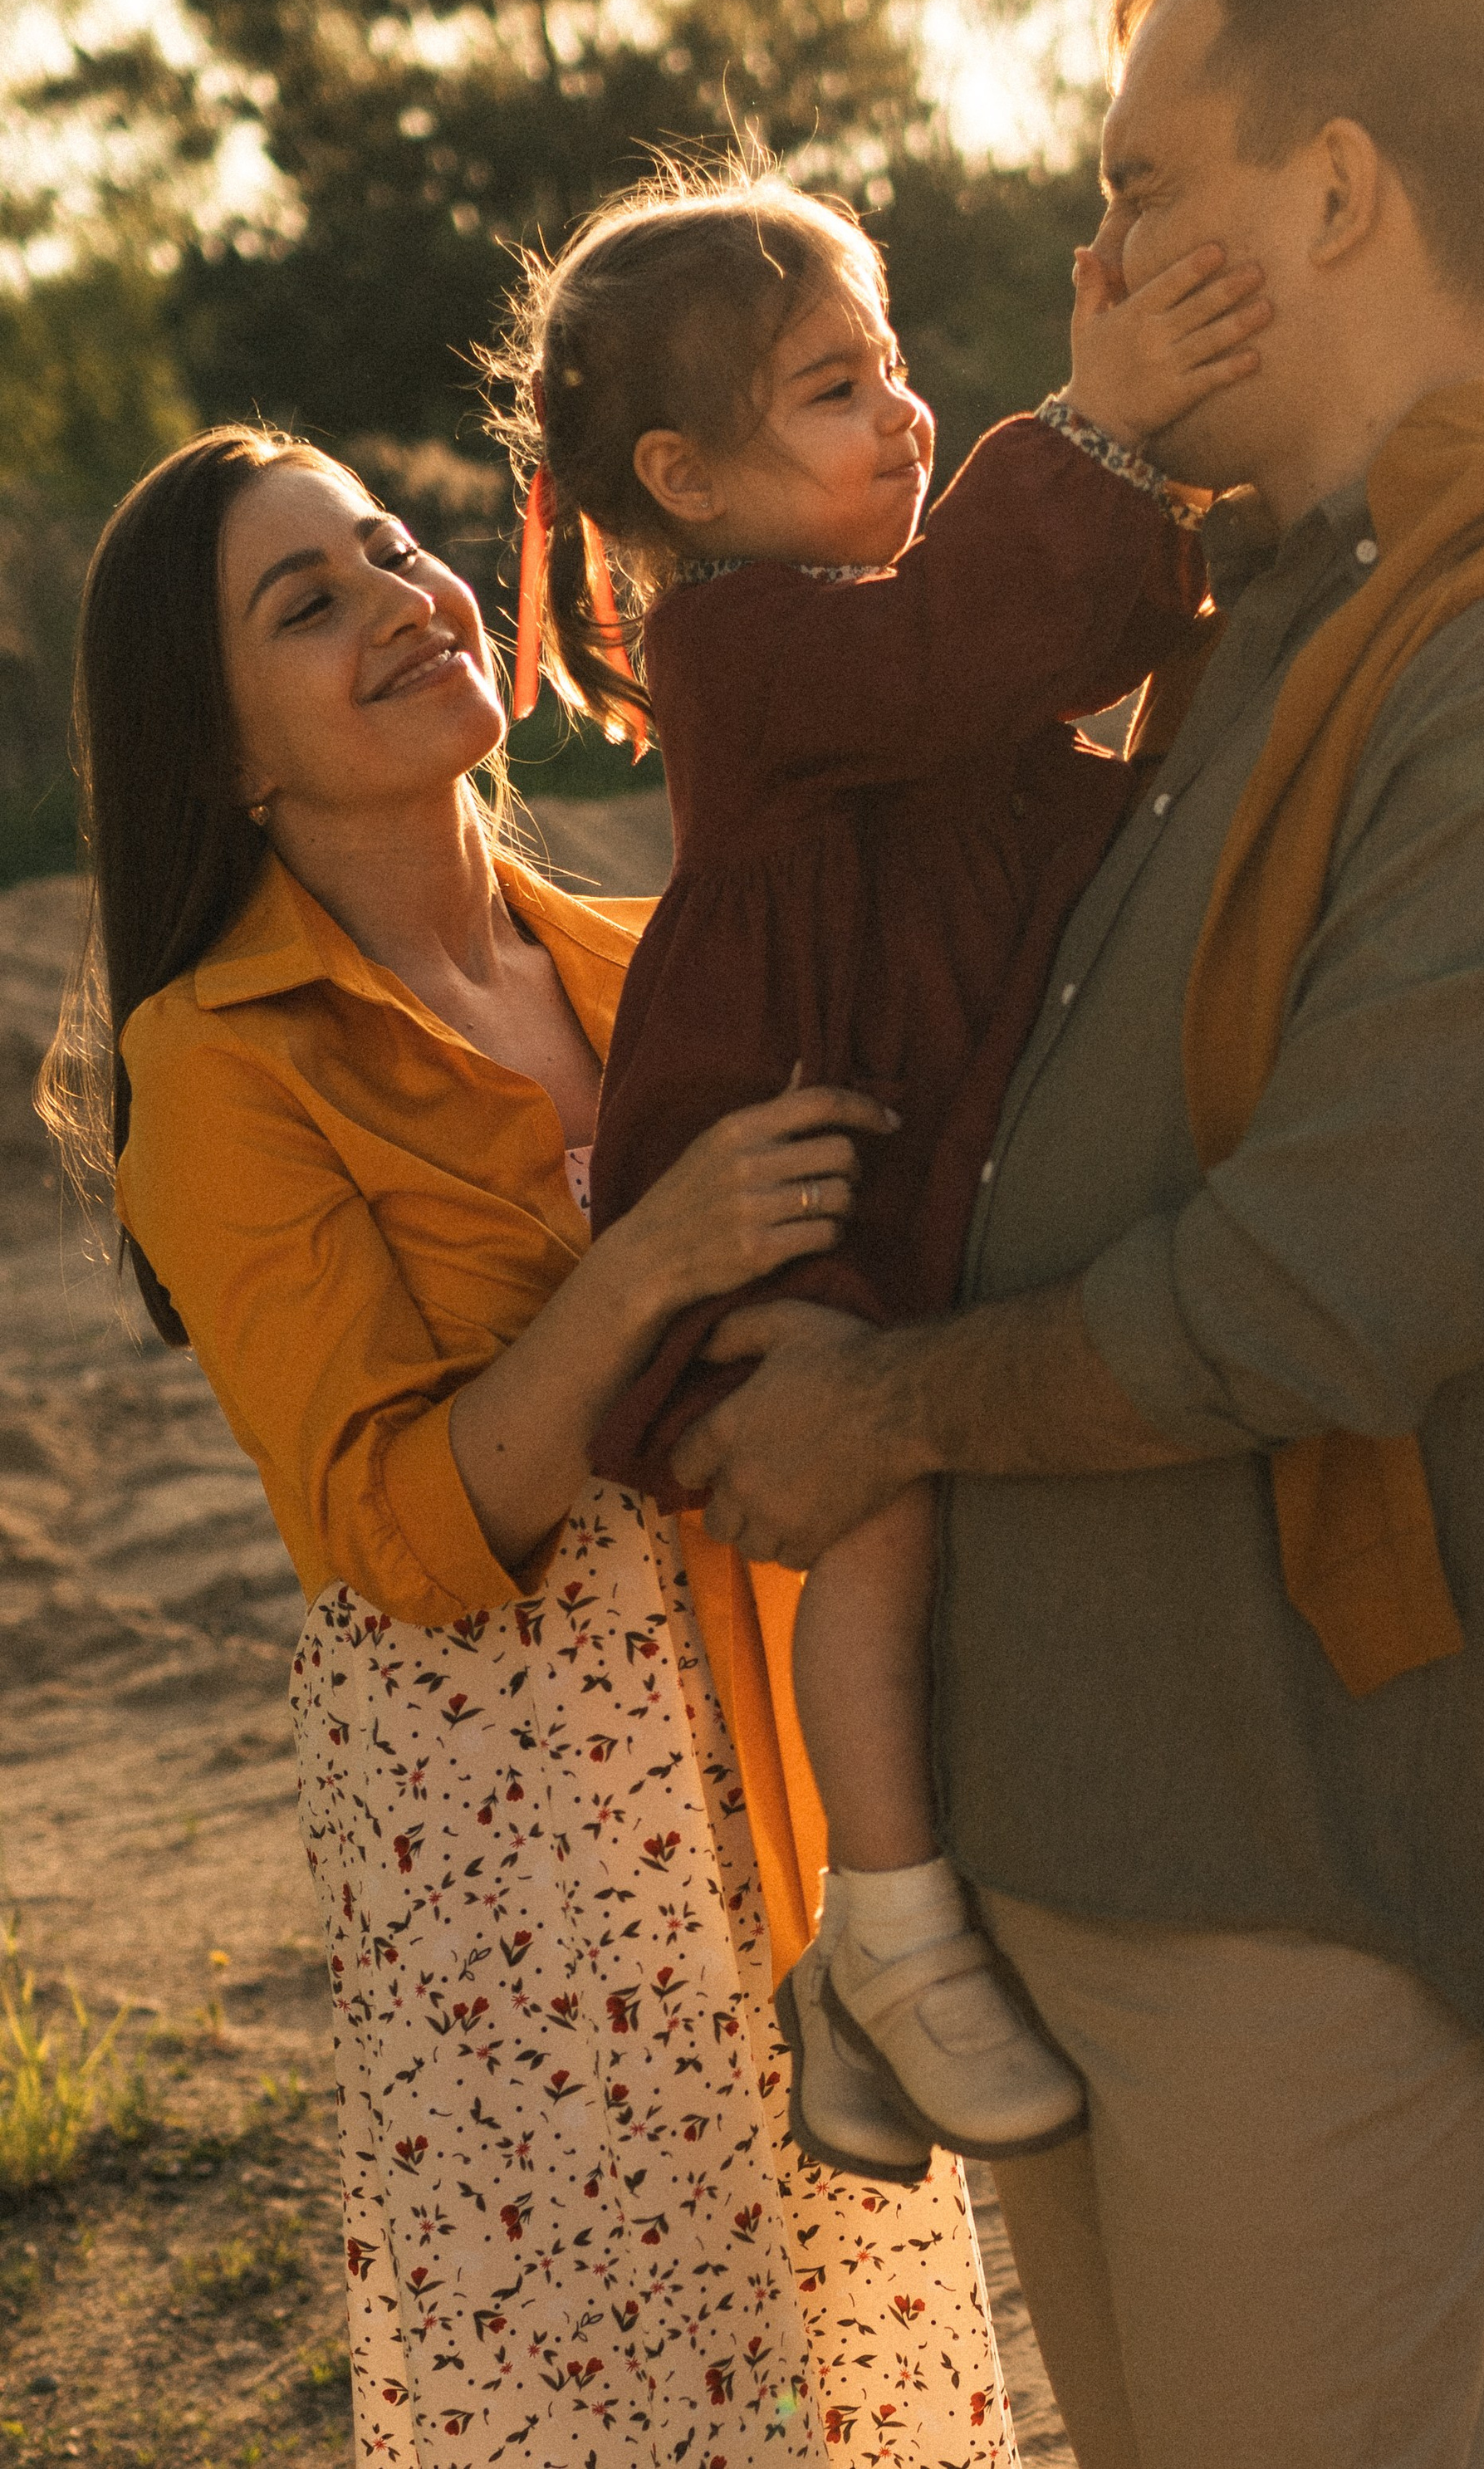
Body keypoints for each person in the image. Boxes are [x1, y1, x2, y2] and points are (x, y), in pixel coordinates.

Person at [665, 0, 1484, 2469]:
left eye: (1146, 181)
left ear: (1340, 195)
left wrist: (891, 1417)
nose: (1104, 243)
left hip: (1290, 1878)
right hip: (1085, 1825)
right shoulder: (1278, 605)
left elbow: (1311, 1301)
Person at [38, 425, 1019, 2467]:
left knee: (842, 2359)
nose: (404, 596)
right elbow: (387, 1525)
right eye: (307, 603)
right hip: (514, 1816)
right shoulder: (213, 1062)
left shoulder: (625, 951)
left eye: (394, 547)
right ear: (217, 752)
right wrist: (649, 1256)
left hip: (760, 1720)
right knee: (622, 2394)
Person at [492, 170, 1268, 2174]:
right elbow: (963, 657)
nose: (906, 413)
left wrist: (1176, 504)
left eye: (897, 365)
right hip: (799, 1157)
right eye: (838, 390)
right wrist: (1089, 436)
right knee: (885, 1495)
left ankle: (859, 1968)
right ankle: (894, 1927)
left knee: (947, 1500)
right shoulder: (746, 647)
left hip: (919, 1127)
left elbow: (1050, 662)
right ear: (688, 475)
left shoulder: (877, 633)